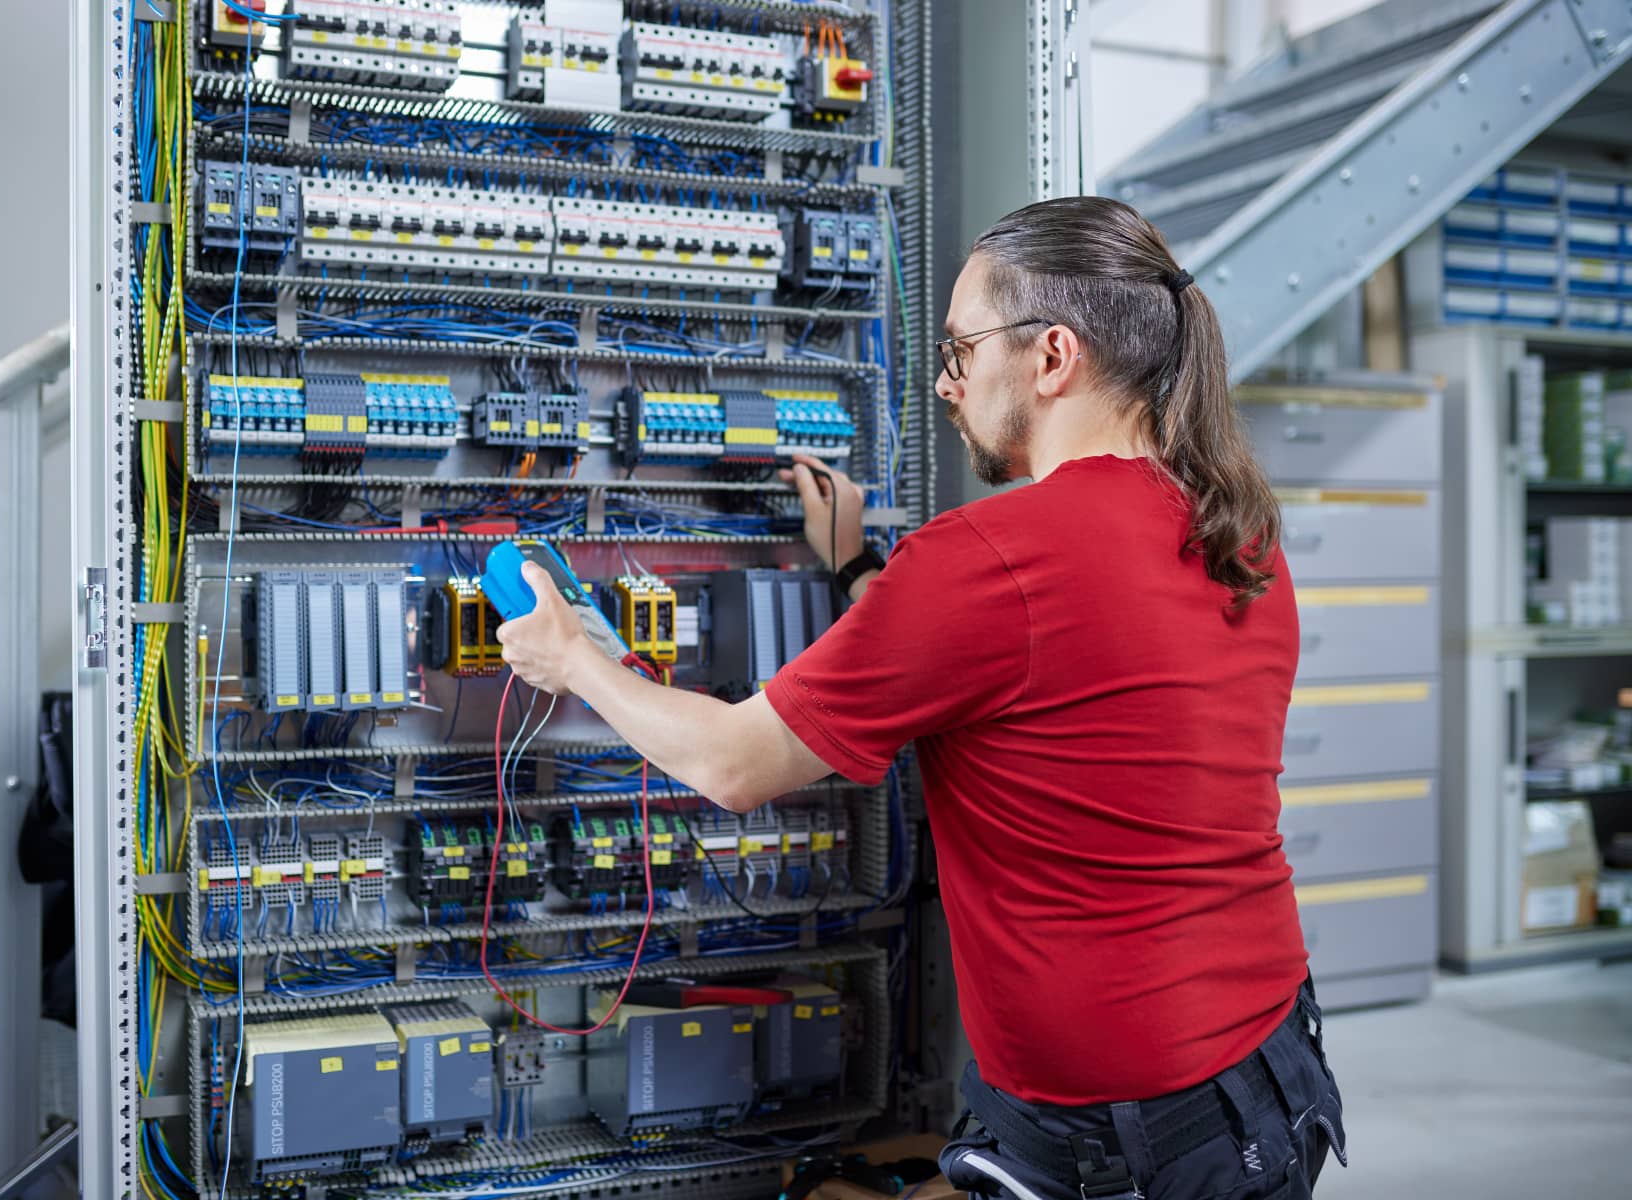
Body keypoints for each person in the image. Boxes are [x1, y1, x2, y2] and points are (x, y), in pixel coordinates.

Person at [497, 196, 1347, 1199]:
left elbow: (734, 763)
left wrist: (575, 661)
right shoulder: (1235, 532)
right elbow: (1027, 676)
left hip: (1122, 1136)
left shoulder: (988, 560)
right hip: (1266, 1072)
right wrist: (862, 571)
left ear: (1052, 356)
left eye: (960, 351)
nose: (947, 386)